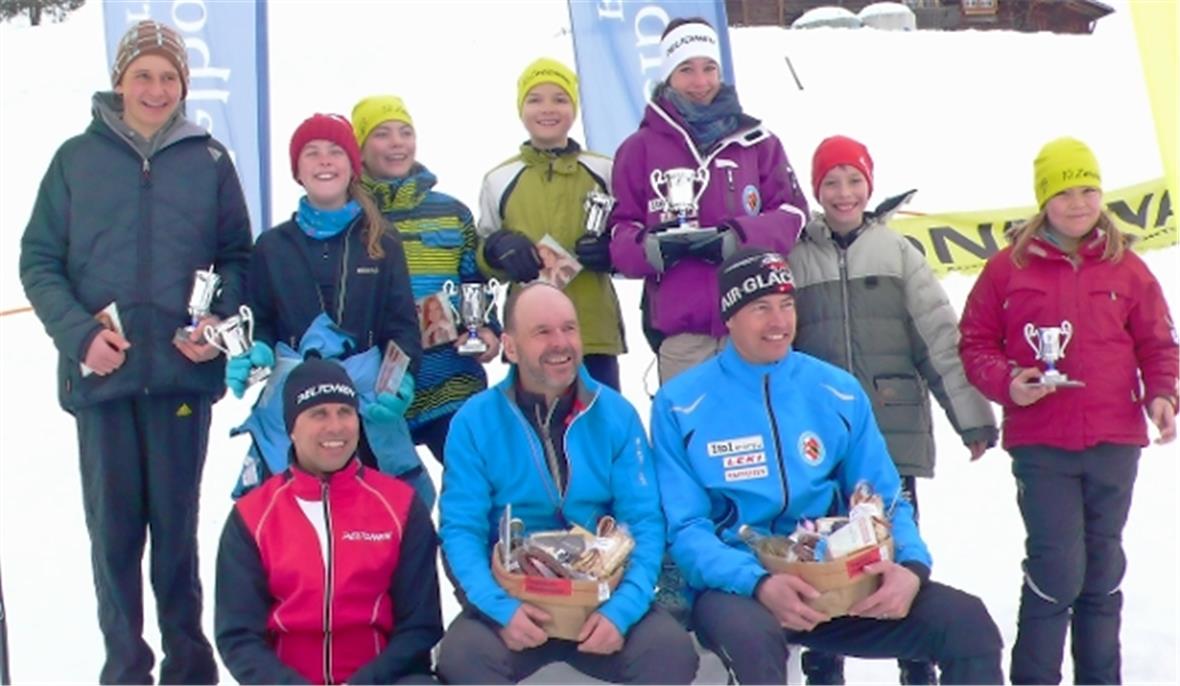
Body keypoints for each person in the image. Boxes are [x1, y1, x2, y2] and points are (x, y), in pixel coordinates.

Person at [649, 248, 1005, 685]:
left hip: (836, 581)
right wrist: (757, 582)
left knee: (968, 625)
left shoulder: (836, 390)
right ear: (730, 317)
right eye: (760, 308)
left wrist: (911, 568)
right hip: (739, 588)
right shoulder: (682, 403)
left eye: (786, 305)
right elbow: (685, 528)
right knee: (757, 645)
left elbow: (886, 497)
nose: (778, 322)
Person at [19, 20, 251, 684]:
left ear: (184, 84)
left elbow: (237, 257)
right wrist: (81, 337)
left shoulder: (209, 160)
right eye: (143, 75)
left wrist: (216, 324)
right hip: (105, 382)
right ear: (119, 80)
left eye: (168, 76)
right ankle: (125, 670)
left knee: (176, 539)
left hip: (180, 379)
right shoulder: (75, 159)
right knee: (114, 540)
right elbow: (38, 262)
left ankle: (189, 668)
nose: (155, 89)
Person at [959, 137, 1178, 684]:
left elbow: (1158, 342)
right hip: (1043, 443)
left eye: (1088, 190)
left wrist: (1163, 394)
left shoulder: (1127, 268)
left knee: (1102, 571)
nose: (1078, 203)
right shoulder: (1006, 269)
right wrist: (1011, 382)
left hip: (1114, 440)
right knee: (1056, 571)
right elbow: (976, 344)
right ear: (1043, 199)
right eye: (1064, 192)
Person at [788, 135, 999, 684]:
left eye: (853, 180)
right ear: (816, 189)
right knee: (822, 550)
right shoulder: (796, 254)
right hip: (820, 441)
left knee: (898, 545)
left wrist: (970, 416)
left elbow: (937, 337)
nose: (843, 193)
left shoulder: (897, 253)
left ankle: (917, 662)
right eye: (831, 182)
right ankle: (823, 663)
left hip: (893, 429)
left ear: (870, 185)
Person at [435, 283, 698, 684]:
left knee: (670, 652)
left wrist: (622, 611)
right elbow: (460, 529)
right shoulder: (474, 422)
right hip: (514, 600)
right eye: (542, 332)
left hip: (600, 600)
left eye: (569, 328)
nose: (561, 343)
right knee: (463, 659)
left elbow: (643, 521)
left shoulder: (616, 415)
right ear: (509, 345)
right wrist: (499, 610)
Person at [228, 113, 432, 505]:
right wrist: (257, 350)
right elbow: (260, 320)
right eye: (312, 153)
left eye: (335, 152)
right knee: (284, 513)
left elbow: (402, 325)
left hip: (364, 404)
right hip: (294, 402)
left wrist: (401, 379)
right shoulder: (272, 245)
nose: (324, 161)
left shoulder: (381, 242)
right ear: (297, 170)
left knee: (383, 512)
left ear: (352, 167)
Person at [215, 358, 443, 685]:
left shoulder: (400, 506)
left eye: (345, 412)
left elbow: (420, 625)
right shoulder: (253, 517)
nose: (335, 427)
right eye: (318, 414)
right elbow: (238, 637)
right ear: (291, 427)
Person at [608, 17, 809, 384]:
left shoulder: (757, 142)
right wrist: (655, 248)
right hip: (684, 337)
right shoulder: (638, 149)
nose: (700, 82)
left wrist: (736, 239)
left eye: (708, 68)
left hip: (756, 326)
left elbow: (793, 214)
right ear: (668, 75)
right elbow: (619, 234)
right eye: (686, 69)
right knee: (691, 438)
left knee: (763, 434)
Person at [352, 95, 498, 464]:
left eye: (405, 132)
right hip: (376, 395)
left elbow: (474, 285)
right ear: (360, 148)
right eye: (382, 134)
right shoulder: (349, 217)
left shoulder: (451, 212)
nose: (397, 142)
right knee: (387, 509)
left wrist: (488, 333)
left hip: (451, 381)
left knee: (475, 490)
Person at [476, 57, 626, 391]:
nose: (547, 109)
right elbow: (481, 255)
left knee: (600, 429)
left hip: (593, 331)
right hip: (528, 334)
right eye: (535, 99)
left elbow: (631, 234)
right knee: (537, 430)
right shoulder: (499, 179)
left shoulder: (604, 170)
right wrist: (497, 251)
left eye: (560, 99)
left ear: (574, 108)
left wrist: (613, 252)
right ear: (520, 109)